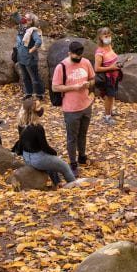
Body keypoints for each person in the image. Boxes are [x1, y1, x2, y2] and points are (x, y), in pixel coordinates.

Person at [52, 40, 95, 176]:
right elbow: (55, 87)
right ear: (69, 53)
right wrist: (73, 87)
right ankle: (73, 163)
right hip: (70, 108)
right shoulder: (61, 67)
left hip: (86, 104)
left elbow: (93, 78)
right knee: (72, 137)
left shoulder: (86, 62)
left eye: (80, 56)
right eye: (75, 56)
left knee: (83, 134)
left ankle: (82, 156)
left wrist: (88, 84)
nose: (78, 58)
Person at [14, 98, 75, 187]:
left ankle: (58, 183)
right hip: (37, 159)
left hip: (26, 157)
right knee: (64, 166)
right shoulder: (37, 128)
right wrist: (54, 153)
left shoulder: (21, 124)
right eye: (38, 107)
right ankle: (74, 185)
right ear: (33, 112)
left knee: (51, 161)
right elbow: (44, 147)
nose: (41, 108)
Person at [94, 27, 121, 126]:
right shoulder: (99, 52)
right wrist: (111, 67)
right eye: (106, 36)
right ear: (100, 37)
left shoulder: (109, 46)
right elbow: (97, 69)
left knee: (112, 95)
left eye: (109, 35)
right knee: (109, 96)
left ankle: (111, 110)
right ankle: (107, 116)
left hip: (115, 75)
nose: (108, 37)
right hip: (107, 78)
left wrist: (117, 65)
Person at [16, 13, 44, 100]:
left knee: (34, 77)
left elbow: (38, 41)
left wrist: (32, 49)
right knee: (25, 77)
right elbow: (18, 18)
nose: (24, 19)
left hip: (30, 58)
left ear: (31, 21)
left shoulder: (33, 31)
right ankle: (28, 93)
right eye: (24, 17)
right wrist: (14, 10)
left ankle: (39, 94)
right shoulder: (22, 28)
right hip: (21, 57)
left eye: (27, 18)